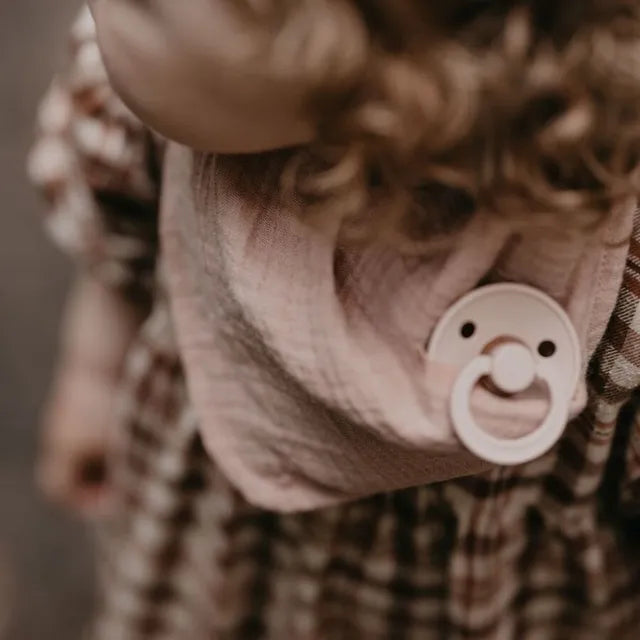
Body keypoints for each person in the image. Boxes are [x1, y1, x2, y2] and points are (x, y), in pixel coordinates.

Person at [29, 1, 640, 637]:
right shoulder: (160, 87)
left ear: (390, 73)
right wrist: (95, 377)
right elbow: (119, 228)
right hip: (222, 556)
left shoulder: (619, 264)